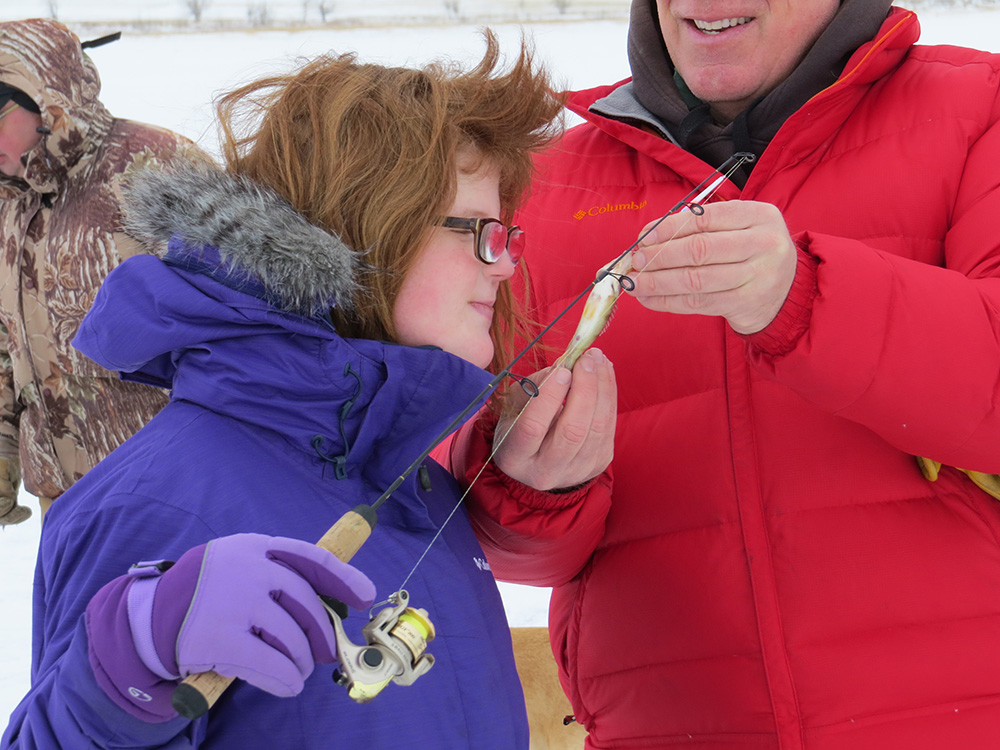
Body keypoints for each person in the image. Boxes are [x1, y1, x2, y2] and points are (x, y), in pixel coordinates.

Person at [442, 1, 1000, 748]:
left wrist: (805, 298)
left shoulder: (978, 110)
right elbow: (492, 538)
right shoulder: (546, 185)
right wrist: (530, 487)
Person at [0, 33, 563, 749]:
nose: (505, 266)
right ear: (375, 222)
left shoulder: (411, 484)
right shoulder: (150, 504)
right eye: (481, 233)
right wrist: (124, 670)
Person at [0, 19, 207, 525]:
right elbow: (6, 345)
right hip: (65, 506)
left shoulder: (155, 165)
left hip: (170, 495)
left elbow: (247, 325)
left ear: (47, 99)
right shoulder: (8, 200)